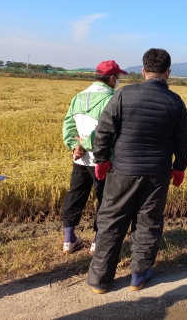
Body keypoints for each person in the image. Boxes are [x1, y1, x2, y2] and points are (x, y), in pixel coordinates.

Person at [87, 48, 187, 294]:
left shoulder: (123, 94)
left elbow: (104, 131)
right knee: (148, 221)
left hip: (122, 171)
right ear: (168, 73)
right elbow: (183, 140)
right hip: (157, 174)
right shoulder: (176, 101)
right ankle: (139, 275)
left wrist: (101, 160)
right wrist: (179, 168)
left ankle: (99, 281)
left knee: (111, 221)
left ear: (143, 71)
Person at [61, 60, 127, 255]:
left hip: (80, 159)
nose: (118, 81)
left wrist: (75, 145)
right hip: (103, 159)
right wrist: (88, 144)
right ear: (112, 78)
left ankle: (69, 239)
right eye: (118, 78)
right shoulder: (112, 99)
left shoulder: (78, 97)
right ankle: (98, 242)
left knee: (75, 195)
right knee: (105, 199)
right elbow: (107, 131)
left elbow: (68, 125)